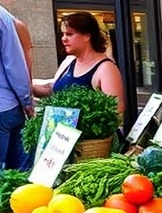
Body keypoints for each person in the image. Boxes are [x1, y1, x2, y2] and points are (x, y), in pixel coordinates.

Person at [32, 12, 124, 113]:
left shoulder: (106, 68)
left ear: (87, 36)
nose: (63, 39)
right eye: (63, 34)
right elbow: (53, 89)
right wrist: (25, 87)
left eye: (69, 34)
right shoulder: (69, 61)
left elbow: (116, 111)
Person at [0, 5, 31, 169]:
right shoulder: (3, 17)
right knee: (19, 175)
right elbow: (15, 65)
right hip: (7, 107)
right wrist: (27, 102)